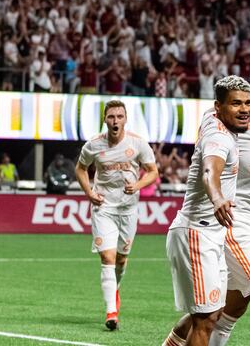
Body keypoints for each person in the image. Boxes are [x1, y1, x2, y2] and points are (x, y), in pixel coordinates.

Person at [164, 75, 250, 346]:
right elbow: (211, 155)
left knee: (227, 309)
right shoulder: (234, 129)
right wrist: (217, 198)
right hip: (234, 224)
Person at [163, 76, 250, 346]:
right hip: (196, 233)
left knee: (211, 313)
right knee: (204, 319)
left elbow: (234, 107)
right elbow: (209, 172)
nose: (245, 110)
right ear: (218, 107)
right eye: (236, 104)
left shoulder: (209, 118)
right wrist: (217, 197)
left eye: (248, 103)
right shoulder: (219, 138)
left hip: (209, 234)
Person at [75, 100, 159, 331]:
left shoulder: (138, 143)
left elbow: (153, 172)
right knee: (108, 257)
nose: (115, 121)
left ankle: (115, 289)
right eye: (111, 116)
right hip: (103, 208)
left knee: (121, 259)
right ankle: (111, 311)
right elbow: (80, 168)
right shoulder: (93, 145)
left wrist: (138, 185)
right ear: (105, 119)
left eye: (119, 116)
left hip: (128, 209)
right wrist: (89, 192)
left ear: (125, 119)